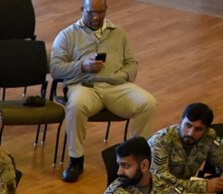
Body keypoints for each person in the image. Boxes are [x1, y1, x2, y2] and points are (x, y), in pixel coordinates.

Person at [50, 0, 157, 183]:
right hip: (84, 87)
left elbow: (132, 63)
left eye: (100, 13)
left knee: (148, 103)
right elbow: (56, 69)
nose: (96, 17)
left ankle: (137, 161)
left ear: (106, 10)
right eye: (91, 13)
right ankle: (76, 160)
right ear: (82, 10)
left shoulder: (119, 33)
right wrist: (82, 66)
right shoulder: (67, 35)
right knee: (76, 106)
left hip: (116, 87)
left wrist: (121, 76)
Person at [150, 103, 223, 194]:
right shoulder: (161, 141)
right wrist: (205, 186)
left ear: (206, 130)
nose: (191, 133)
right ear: (180, 122)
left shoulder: (208, 137)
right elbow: (161, 182)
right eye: (188, 125)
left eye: (198, 129)